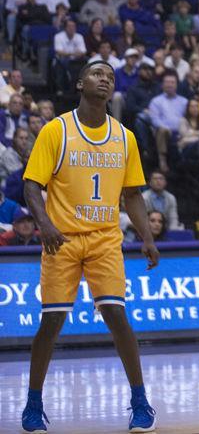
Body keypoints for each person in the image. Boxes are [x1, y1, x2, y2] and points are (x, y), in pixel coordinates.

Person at [20, 60, 158, 433]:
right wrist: (45, 225)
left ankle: (141, 401)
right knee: (51, 322)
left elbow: (132, 195)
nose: (105, 80)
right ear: (80, 83)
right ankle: (33, 404)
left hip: (104, 239)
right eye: (98, 74)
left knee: (117, 316)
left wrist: (146, 237)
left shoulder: (125, 137)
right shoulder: (56, 130)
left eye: (111, 77)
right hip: (61, 239)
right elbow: (31, 185)